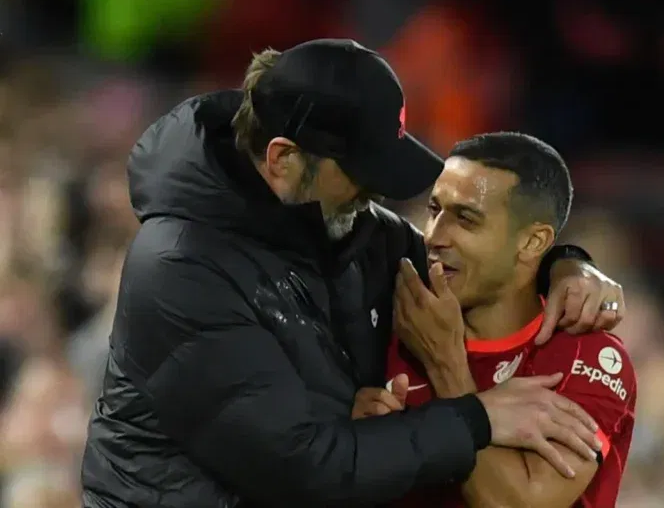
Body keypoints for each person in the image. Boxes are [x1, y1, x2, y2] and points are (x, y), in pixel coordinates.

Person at [80, 39, 626, 507]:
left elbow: (476, 266)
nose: (377, 191)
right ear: (282, 159)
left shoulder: (348, 224)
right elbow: (305, 467)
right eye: (362, 171)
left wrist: (564, 267)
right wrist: (475, 418)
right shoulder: (181, 268)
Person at [366, 132, 637, 507]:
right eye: (434, 210)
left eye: (466, 219)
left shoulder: (583, 355)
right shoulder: (392, 318)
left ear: (532, 242)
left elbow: (517, 504)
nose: (434, 236)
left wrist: (448, 369)